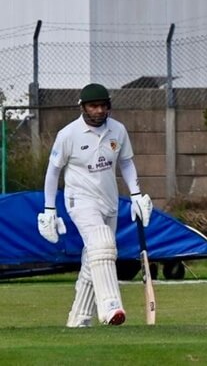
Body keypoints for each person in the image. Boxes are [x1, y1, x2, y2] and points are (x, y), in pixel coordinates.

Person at [37, 83, 153, 327]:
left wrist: (136, 195)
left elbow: (127, 163)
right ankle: (111, 306)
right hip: (79, 200)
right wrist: (49, 210)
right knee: (102, 243)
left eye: (103, 105)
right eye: (93, 106)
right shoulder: (68, 134)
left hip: (108, 201)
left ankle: (79, 318)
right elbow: (52, 172)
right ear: (82, 107)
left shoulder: (118, 130)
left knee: (96, 257)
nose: (99, 110)